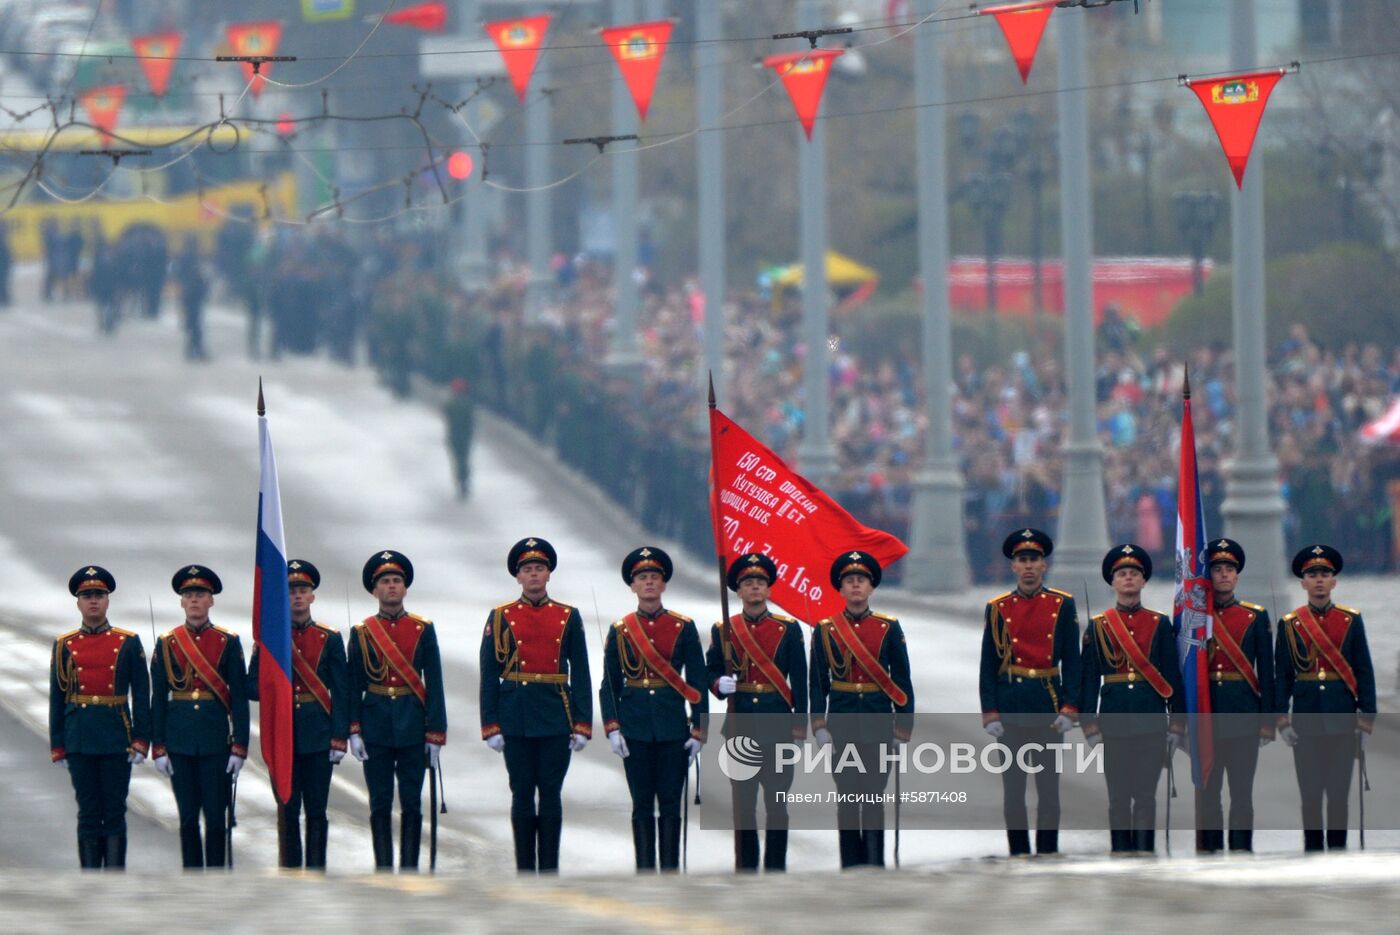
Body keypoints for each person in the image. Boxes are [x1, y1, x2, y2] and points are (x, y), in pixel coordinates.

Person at [480, 537, 593, 873]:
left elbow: (582, 673)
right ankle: (524, 868)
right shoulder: (500, 616)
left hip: (556, 713)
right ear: (518, 577)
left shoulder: (568, 616)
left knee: (551, 793)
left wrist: (582, 722)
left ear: (548, 575)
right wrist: (490, 724)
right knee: (522, 791)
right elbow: (489, 674)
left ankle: (550, 868)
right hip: (516, 715)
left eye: (539, 569)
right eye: (527, 569)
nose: (533, 575)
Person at [600, 547, 707, 872]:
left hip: (673, 726)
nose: (648, 583)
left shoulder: (682, 627)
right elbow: (610, 684)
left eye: (654, 578)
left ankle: (671, 870)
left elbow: (697, 681)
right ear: (632, 586)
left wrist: (699, 730)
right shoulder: (621, 630)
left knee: (672, 804)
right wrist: (612, 727)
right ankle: (645, 869)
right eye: (642, 578)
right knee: (642, 804)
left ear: (663, 585)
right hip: (634, 728)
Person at [978, 529, 1081, 859]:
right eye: (1022, 561)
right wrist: (990, 712)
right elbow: (987, 665)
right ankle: (1018, 853)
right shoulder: (998, 608)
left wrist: (1069, 707)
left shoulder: (1062, 605)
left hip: (1047, 705)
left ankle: (1048, 851)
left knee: (1049, 790)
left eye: (1034, 560)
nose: (1028, 567)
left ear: (1043, 565)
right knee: (1013, 791)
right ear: (1013, 567)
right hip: (1011, 708)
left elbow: (1072, 662)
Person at [1079, 544, 1185, 856]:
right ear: (1113, 582)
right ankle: (1120, 854)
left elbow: (1173, 678)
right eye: (1122, 574)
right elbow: (1087, 681)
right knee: (1118, 797)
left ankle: (1144, 854)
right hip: (1112, 722)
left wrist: (1177, 724)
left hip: (1151, 721)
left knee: (1146, 796)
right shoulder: (1099, 626)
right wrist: (1089, 724)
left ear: (1143, 581)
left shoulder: (1160, 624)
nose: (1128, 579)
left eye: (1134, 574)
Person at [811, 550, 914, 869]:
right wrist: (819, 725)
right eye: (850, 581)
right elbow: (817, 683)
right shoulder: (825, 630)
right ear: (840, 589)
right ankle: (849, 863)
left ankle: (873, 862)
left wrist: (902, 729)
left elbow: (903, 682)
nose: (856, 586)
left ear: (871, 588)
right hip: (841, 723)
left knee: (873, 796)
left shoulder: (889, 628)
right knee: (846, 796)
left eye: (862, 581)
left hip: (878, 723)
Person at [706, 552, 807, 873]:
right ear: (738, 590)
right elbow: (709, 670)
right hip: (741, 725)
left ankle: (776, 867)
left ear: (769, 589)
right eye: (748, 583)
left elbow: (800, 681)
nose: (754, 588)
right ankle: (746, 868)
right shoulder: (725, 629)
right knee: (743, 806)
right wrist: (719, 684)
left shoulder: (788, 629)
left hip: (778, 725)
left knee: (777, 804)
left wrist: (799, 725)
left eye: (760, 583)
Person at [347, 550, 447, 871]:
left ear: (405, 589)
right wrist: (354, 730)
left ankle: (409, 867)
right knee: (379, 804)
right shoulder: (362, 633)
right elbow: (352, 686)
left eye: (396, 581)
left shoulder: (422, 629)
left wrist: (435, 732)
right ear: (374, 591)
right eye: (385, 582)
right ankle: (383, 867)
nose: (391, 587)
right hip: (374, 724)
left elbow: (435, 682)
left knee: (412, 803)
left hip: (412, 726)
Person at [247, 559, 350, 869]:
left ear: (312, 596)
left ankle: (317, 869)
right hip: (284, 733)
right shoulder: (270, 641)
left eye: (303, 590)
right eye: (291, 591)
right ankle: (290, 869)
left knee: (317, 810)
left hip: (318, 734)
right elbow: (252, 688)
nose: (297, 596)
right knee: (288, 808)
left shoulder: (328, 638)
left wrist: (339, 736)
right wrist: (265, 664)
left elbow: (342, 691)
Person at [1275, 544, 1376, 852]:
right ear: (1303, 583)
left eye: (1325, 574)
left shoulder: (1350, 620)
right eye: (1312, 575)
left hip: (1342, 720)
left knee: (1338, 794)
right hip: (1306, 721)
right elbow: (1283, 677)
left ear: (1334, 581)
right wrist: (1282, 720)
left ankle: (1337, 852)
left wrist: (1365, 719)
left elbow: (1364, 671)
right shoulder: (1290, 624)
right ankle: (1312, 851)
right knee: (1309, 795)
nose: (1319, 580)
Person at [49, 566, 151, 869]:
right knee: (89, 812)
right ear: (78, 603)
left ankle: (115, 877)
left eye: (99, 596)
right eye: (87, 596)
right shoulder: (65, 644)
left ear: (108, 601)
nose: (93, 601)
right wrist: (58, 744)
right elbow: (57, 697)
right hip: (80, 737)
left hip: (116, 737)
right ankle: (91, 879)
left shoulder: (128, 642)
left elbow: (142, 696)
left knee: (116, 811)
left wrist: (141, 739)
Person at [150, 565, 249, 869]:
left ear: (211, 601)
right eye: (189, 595)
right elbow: (159, 699)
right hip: (179, 743)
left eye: (200, 595)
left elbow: (240, 697)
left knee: (217, 820)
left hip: (215, 743)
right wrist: (159, 746)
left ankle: (217, 877)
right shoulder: (168, 643)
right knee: (188, 819)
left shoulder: (227, 642)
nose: (194, 600)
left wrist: (239, 745)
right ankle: (192, 878)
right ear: (181, 601)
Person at [1195, 538, 1274, 854]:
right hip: (1206, 718)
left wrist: (1267, 722)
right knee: (1209, 796)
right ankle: (1210, 855)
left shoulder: (1255, 617)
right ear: (1208, 575)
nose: (1224, 574)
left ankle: (1242, 854)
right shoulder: (1195, 618)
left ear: (1237, 575)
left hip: (1243, 717)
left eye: (1229, 569)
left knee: (1242, 795)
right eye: (1217, 569)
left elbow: (1267, 674)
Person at [173, 235, 210, 361]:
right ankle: (196, 350)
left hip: (188, 295)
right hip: (193, 295)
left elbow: (177, 274)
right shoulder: (194, 259)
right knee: (195, 324)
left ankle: (191, 350)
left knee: (191, 324)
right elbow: (199, 277)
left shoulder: (184, 258)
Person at [444, 377, 474, 499]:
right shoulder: (468, 403)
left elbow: (446, 414)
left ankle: (460, 483)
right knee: (465, 460)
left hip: (454, 435)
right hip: (465, 436)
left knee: (457, 461)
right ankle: (465, 484)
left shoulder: (451, 404)